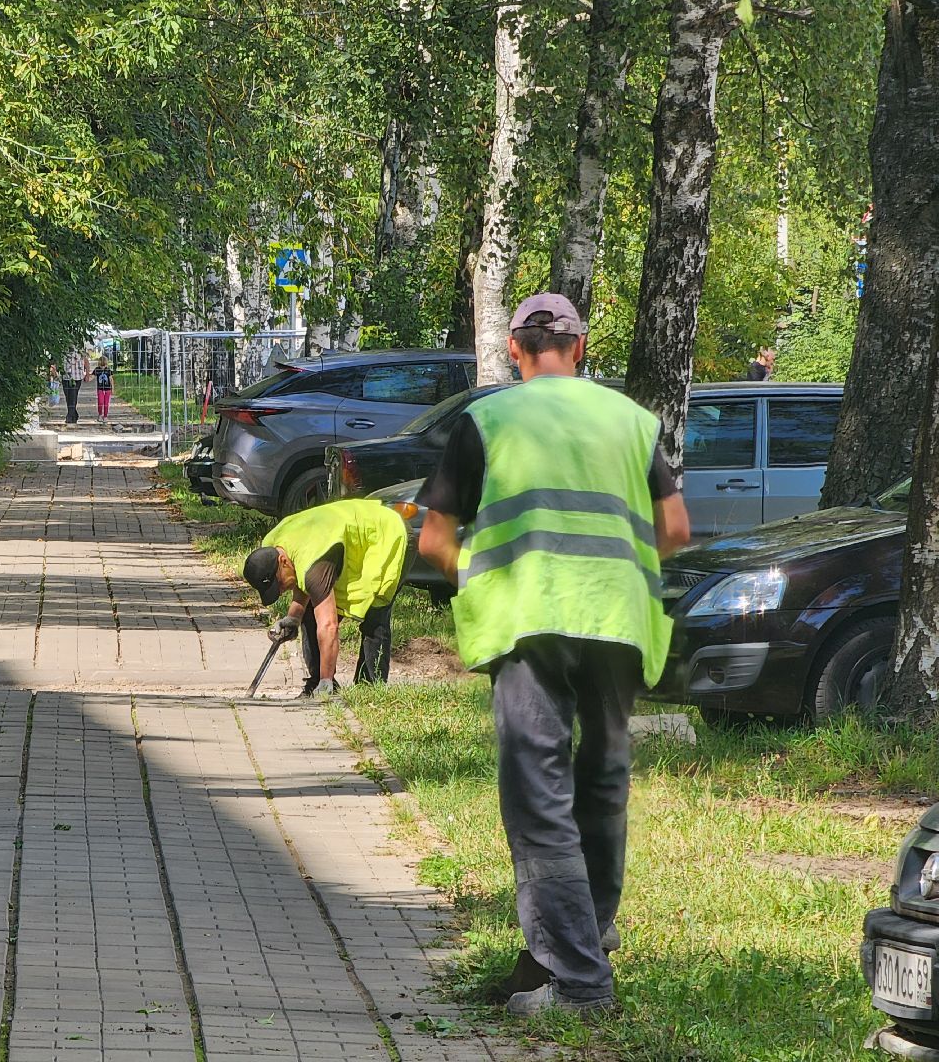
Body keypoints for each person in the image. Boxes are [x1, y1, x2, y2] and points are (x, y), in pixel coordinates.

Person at [415, 292, 689, 1016]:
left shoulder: (488, 419)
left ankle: (578, 983)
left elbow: (434, 541)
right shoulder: (632, 421)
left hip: (529, 621)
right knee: (602, 784)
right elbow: (676, 528)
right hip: (618, 621)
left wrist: (481, 576)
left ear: (514, 349)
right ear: (581, 346)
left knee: (540, 798)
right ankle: (576, 947)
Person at [242, 499, 410, 696]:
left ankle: (369, 689)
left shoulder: (313, 565)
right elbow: (302, 577)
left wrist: (326, 679)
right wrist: (294, 618)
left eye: (278, 584)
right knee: (309, 615)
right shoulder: (274, 545)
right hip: (353, 537)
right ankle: (317, 683)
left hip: (388, 532)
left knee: (375, 614)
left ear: (283, 561)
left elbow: (329, 626)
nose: (280, 591)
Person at [50, 346, 91, 424]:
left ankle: (70, 416)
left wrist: (87, 375)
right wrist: (54, 372)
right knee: (68, 396)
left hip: (77, 377)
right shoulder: (62, 350)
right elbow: (56, 362)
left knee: (73, 395)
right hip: (65, 377)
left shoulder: (80, 350)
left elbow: (86, 362)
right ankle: (74, 414)